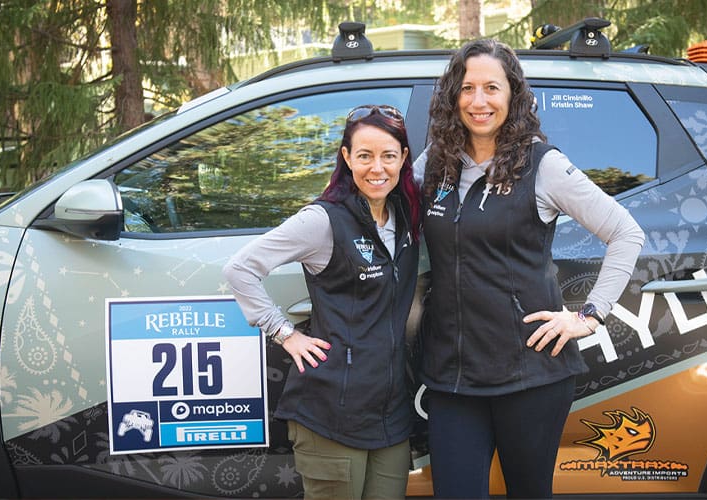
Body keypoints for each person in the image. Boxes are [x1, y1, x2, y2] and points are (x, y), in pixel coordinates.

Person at [413, 39, 645, 498]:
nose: (478, 101)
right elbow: (377, 197)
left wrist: (588, 316)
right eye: (467, 88)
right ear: (452, 96)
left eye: (491, 88)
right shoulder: (434, 164)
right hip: (452, 376)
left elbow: (626, 233)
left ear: (513, 95)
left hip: (529, 374)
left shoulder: (544, 165)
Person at [223, 104, 422, 500]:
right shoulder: (323, 221)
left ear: (403, 158)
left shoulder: (405, 216)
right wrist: (283, 333)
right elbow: (239, 270)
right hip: (332, 411)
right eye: (364, 155)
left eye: (388, 155)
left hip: (390, 414)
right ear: (347, 158)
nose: (376, 167)